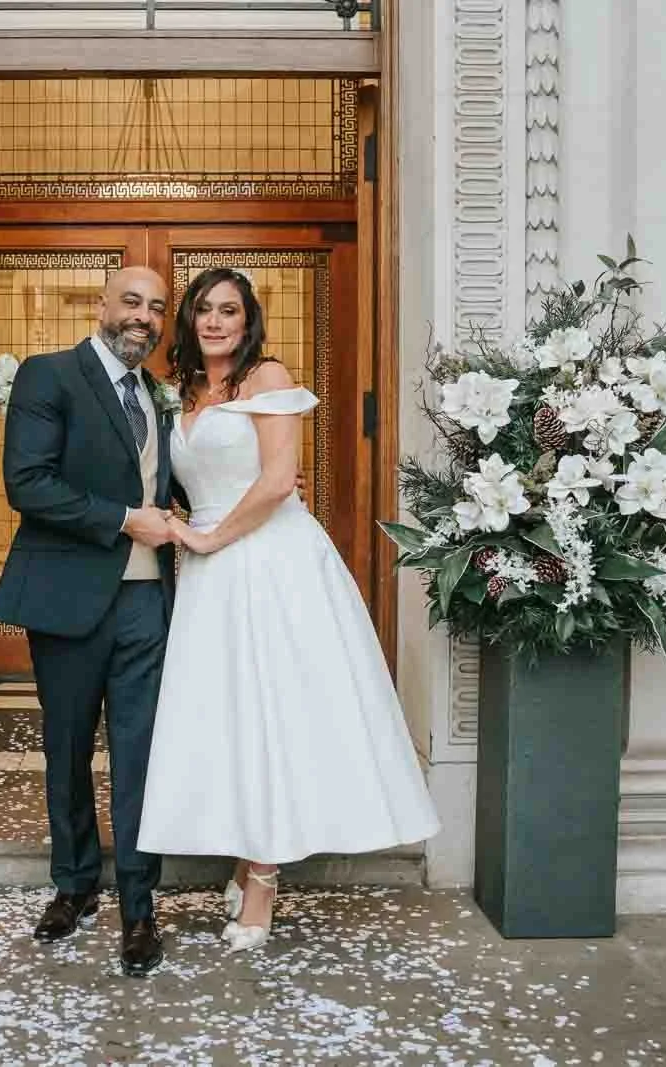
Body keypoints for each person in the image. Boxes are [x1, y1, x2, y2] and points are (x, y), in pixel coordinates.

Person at [136, 267, 440, 953]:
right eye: (204, 310)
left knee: (274, 708)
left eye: (230, 311)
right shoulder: (182, 392)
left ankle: (265, 882)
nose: (215, 321)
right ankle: (247, 857)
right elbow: (199, 478)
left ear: (248, 322)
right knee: (232, 711)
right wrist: (186, 527)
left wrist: (208, 535)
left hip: (270, 561)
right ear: (188, 321)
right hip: (209, 570)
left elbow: (276, 481)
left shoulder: (268, 378)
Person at [0, 266, 178, 977]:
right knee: (67, 747)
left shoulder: (157, 395)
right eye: (131, 301)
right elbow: (28, 484)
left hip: (145, 602)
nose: (144, 317)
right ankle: (74, 884)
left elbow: (166, 484)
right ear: (102, 304)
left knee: (138, 754)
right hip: (67, 598)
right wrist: (129, 520)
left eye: (157, 308)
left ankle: (139, 905)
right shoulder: (49, 376)